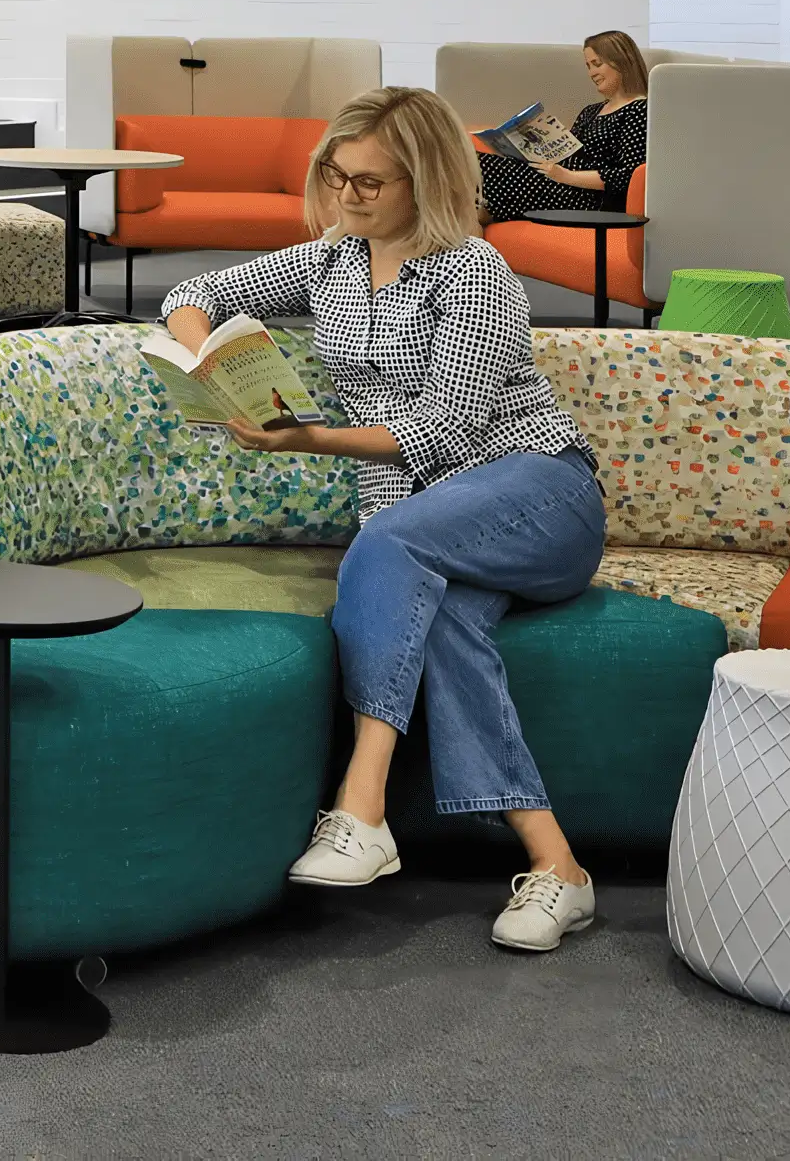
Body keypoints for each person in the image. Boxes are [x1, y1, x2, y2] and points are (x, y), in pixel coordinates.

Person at [156, 85, 606, 953]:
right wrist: (197, 349)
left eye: (373, 182)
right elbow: (200, 286)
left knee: (387, 540)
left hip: (536, 493)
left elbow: (443, 429)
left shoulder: (475, 272)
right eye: (338, 175)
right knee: (442, 628)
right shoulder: (332, 259)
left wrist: (303, 438)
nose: (349, 195)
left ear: (426, 180)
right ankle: (560, 872)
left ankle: (362, 805)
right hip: (427, 523)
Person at [474, 30, 648, 224]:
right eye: (588, 66)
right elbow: (569, 153)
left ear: (622, 61)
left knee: (481, 165)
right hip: (559, 184)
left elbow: (630, 176)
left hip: (589, 200)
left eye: (597, 64)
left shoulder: (639, 110)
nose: (592, 73)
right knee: (472, 160)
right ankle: (472, 219)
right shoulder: (591, 111)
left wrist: (567, 176)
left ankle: (469, 220)